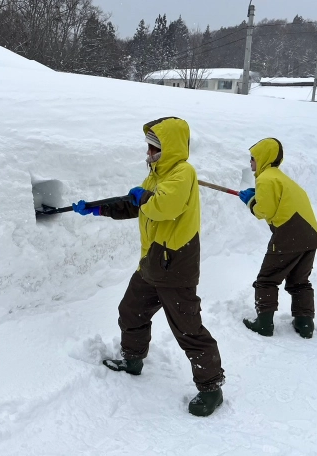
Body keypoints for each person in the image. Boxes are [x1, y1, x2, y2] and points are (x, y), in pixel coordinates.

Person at [72, 117, 225, 417]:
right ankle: (132, 359)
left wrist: (145, 197)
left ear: (168, 150)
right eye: (148, 148)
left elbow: (163, 207)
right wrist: (98, 208)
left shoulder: (183, 173)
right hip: (152, 262)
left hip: (176, 265)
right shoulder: (156, 177)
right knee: (131, 311)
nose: (148, 154)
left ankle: (211, 388)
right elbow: (135, 204)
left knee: (188, 329)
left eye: (154, 149)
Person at [238, 138, 317, 339]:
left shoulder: (265, 179)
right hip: (310, 236)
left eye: (253, 158)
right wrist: (256, 196)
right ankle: (305, 324)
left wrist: (251, 201)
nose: (251, 163)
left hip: (289, 235)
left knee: (267, 280)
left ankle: (264, 324)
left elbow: (263, 211)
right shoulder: (280, 178)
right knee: (299, 281)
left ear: (262, 158)